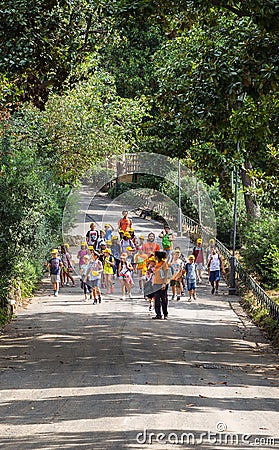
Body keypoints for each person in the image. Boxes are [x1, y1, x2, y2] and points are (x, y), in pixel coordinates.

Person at [152, 250, 170, 320]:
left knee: (164, 299)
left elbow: (166, 274)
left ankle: (165, 314)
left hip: (162, 284)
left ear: (156, 256)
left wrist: (164, 283)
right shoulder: (157, 264)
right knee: (156, 299)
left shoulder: (164, 264)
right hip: (156, 284)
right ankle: (158, 314)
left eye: (154, 256)